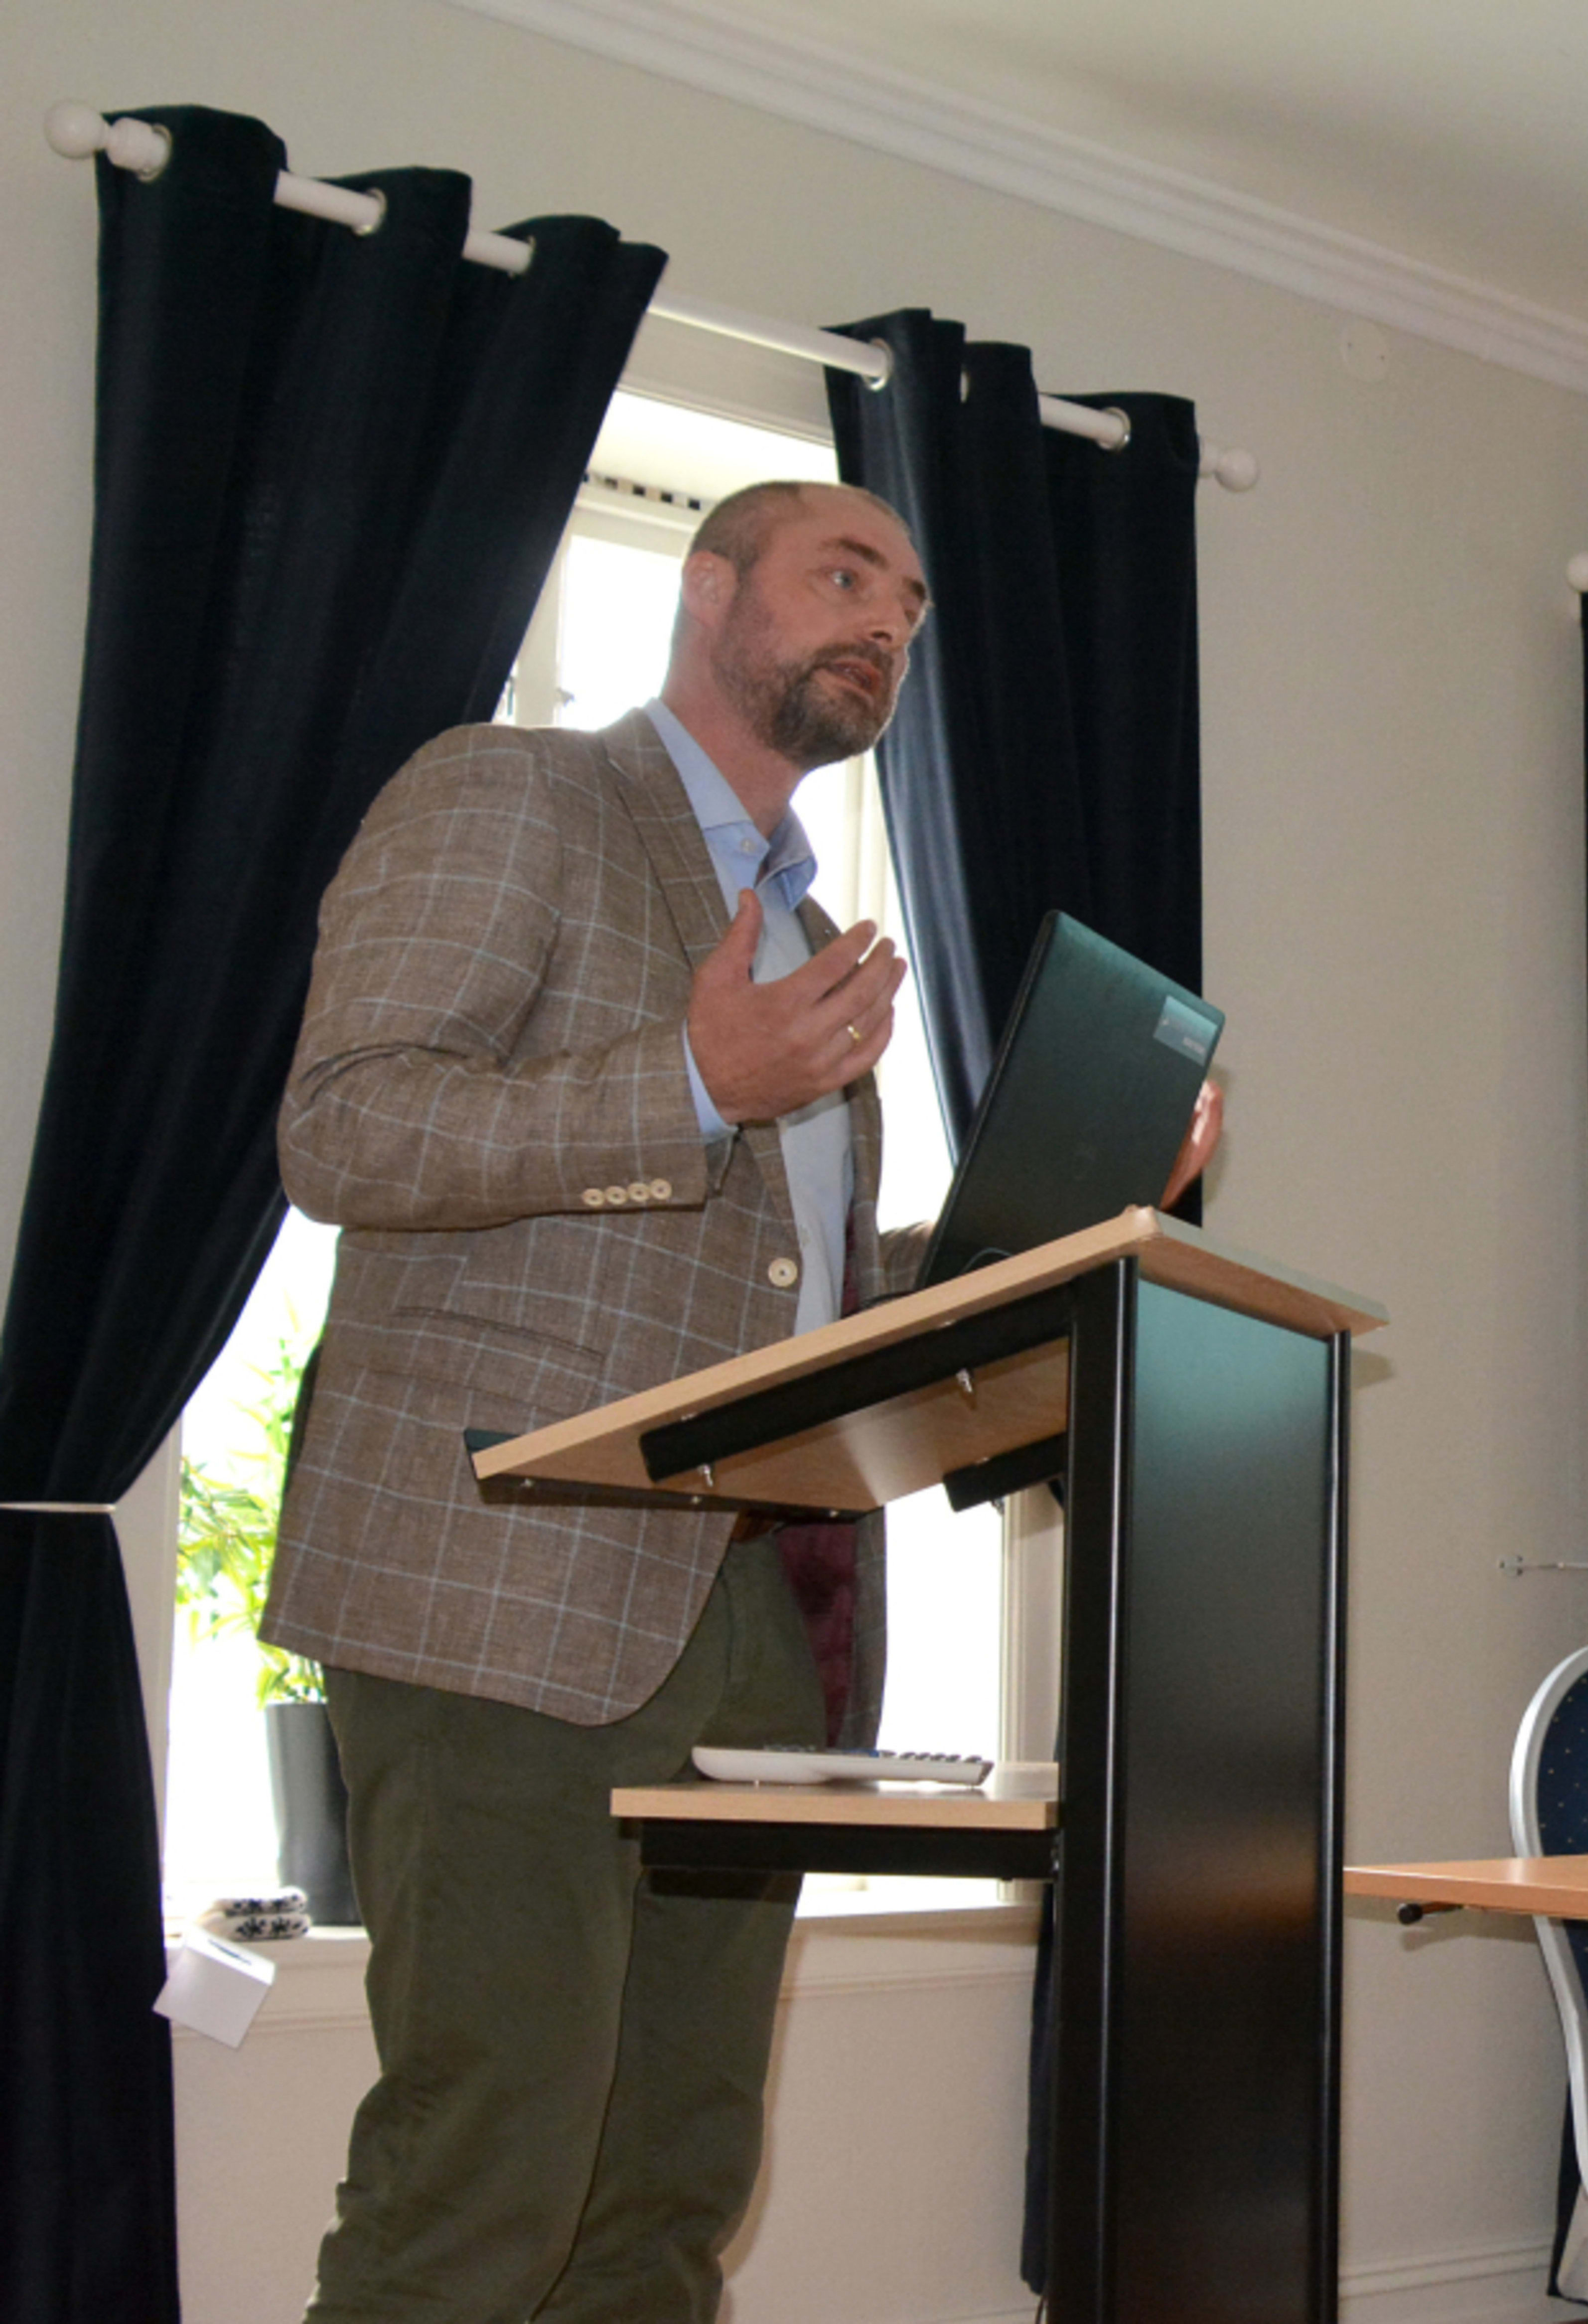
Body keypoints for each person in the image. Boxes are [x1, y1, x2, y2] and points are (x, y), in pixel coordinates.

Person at [262, 479, 1210, 2322]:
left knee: (672, 2191)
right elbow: (347, 1124)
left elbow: (802, 1310)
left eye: (910, 604)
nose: (888, 622)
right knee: (482, 2183)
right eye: (843, 574)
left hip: (752, 1622)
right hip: (501, 1594)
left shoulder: (812, 937)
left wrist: (1074, 1225)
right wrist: (689, 1079)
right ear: (708, 592)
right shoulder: (514, 792)